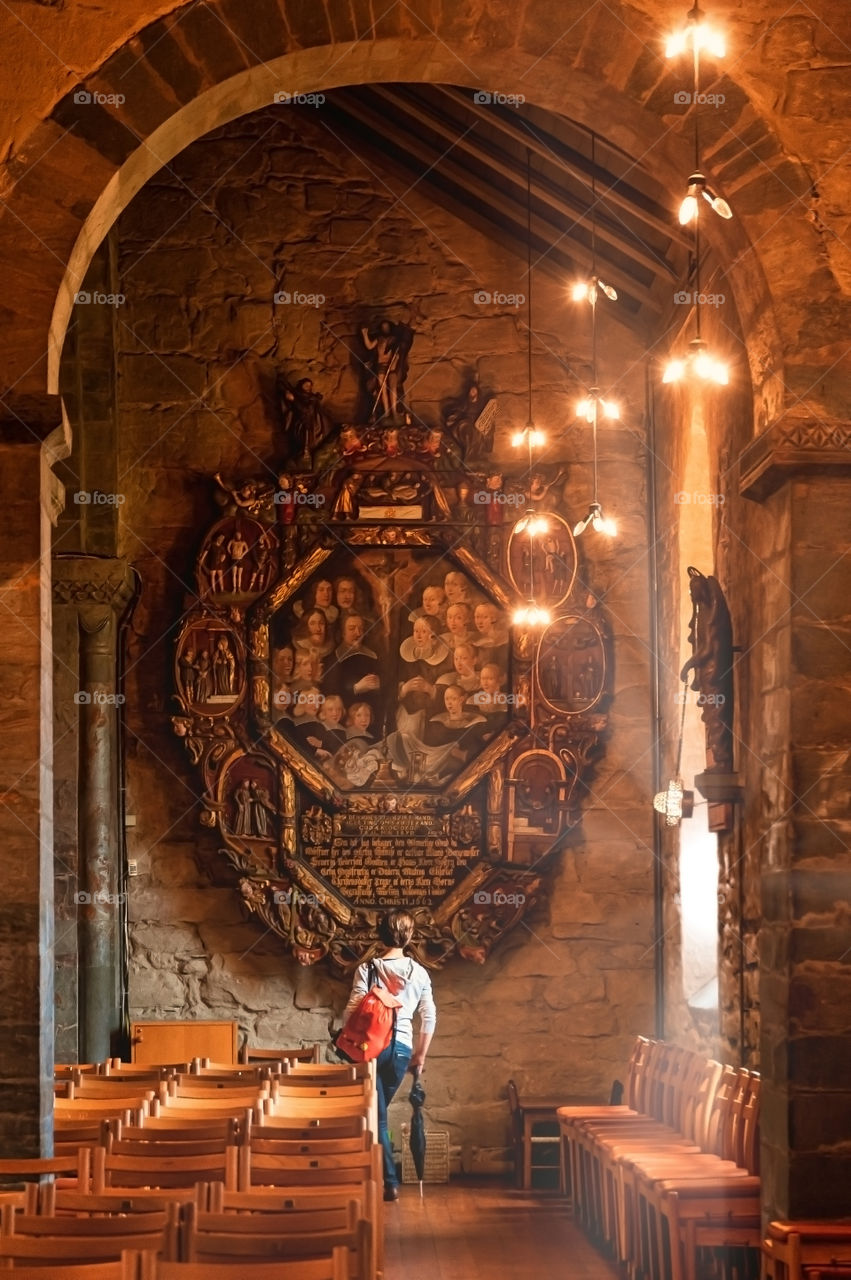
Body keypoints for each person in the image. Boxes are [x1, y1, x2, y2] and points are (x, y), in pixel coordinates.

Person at [340, 911, 436, 1202]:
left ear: (380, 934)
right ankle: (378, 1174)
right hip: (401, 1050)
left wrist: (350, 1037)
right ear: (408, 937)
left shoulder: (368, 968)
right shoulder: (419, 972)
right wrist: (420, 1055)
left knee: (377, 1119)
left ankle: (388, 1182)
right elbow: (429, 1016)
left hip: (371, 1049)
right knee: (378, 1116)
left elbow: (352, 1008)